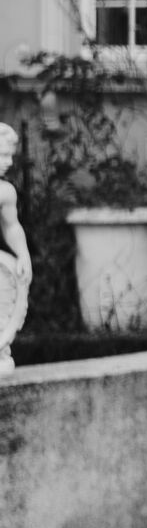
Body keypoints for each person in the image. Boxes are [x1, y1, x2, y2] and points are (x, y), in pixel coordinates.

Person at [0, 124, 28, 375]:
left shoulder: (5, 192)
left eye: (10, 155)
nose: (8, 162)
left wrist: (23, 255)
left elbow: (11, 227)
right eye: (2, 155)